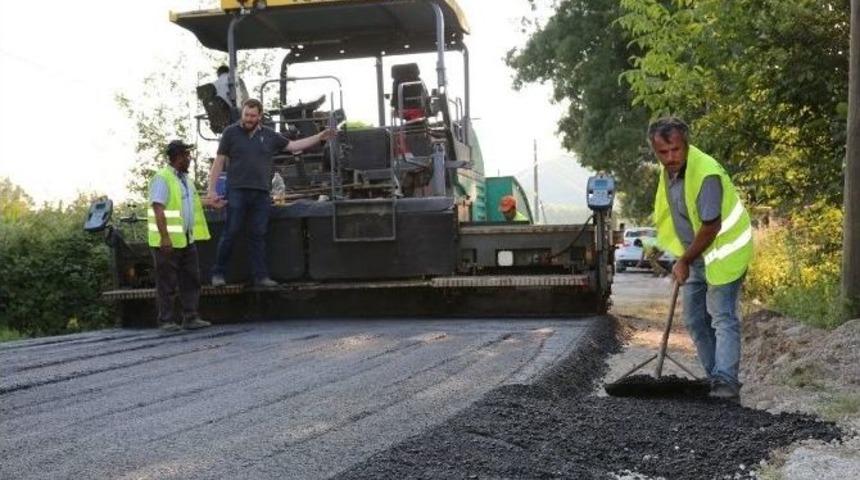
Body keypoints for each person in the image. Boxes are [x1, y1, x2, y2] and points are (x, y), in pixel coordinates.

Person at [648, 117, 753, 401]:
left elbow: (710, 226)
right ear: (655, 151)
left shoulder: (705, 173)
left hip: (724, 252)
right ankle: (713, 378)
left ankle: (727, 383)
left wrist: (684, 260)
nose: (671, 157)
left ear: (686, 144)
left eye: (676, 150)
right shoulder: (668, 173)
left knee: (723, 318)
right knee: (695, 320)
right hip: (695, 255)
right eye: (663, 152)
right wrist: (677, 255)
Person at [207, 98, 335, 287]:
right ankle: (218, 273)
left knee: (258, 234)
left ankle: (261, 276)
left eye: (253, 116)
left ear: (259, 116)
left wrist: (319, 137)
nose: (249, 119)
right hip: (237, 191)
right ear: (242, 113)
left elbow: (293, 146)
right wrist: (211, 189)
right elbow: (219, 162)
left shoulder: (269, 136)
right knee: (231, 231)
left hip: (261, 193)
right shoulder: (230, 133)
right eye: (246, 115)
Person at [148, 140, 224, 332]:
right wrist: (165, 237)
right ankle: (166, 320)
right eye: (187, 156)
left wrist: (210, 203)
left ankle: (190, 317)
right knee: (167, 282)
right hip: (168, 241)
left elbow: (191, 203)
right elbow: (158, 208)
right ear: (178, 157)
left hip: (186, 239)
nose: (189, 159)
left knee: (191, 279)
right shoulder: (162, 178)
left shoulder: (185, 180)